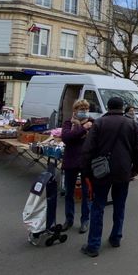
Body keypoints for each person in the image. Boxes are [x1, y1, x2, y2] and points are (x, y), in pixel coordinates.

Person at [81, 97, 138, 257]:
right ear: (122, 107)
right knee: (119, 205)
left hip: (102, 171)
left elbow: (87, 149)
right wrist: (135, 169)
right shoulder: (131, 124)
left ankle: (93, 245)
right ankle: (116, 237)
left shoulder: (99, 123)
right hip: (123, 171)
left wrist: (87, 171)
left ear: (107, 107)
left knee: (98, 207)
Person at [61, 99, 94, 234]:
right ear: (75, 111)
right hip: (71, 161)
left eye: (85, 109)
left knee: (87, 193)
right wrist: (82, 129)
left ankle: (85, 220)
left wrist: (85, 128)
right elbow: (66, 137)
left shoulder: (92, 123)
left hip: (86, 162)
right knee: (69, 192)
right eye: (81, 109)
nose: (83, 111)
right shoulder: (69, 123)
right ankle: (69, 219)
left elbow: (94, 140)